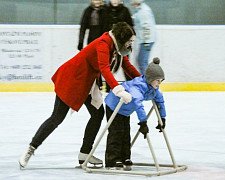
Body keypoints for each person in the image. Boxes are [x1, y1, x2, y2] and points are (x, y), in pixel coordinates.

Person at [19, 22, 141, 168]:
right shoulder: (104, 43)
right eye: (129, 41)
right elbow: (104, 68)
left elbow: (127, 66)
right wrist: (118, 90)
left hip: (87, 82)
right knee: (57, 118)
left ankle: (85, 153)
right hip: (72, 79)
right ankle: (31, 148)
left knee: (97, 114)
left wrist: (143, 81)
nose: (130, 45)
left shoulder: (117, 47)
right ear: (121, 38)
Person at [104, 57, 166, 169]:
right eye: (157, 80)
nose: (159, 83)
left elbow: (160, 101)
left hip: (125, 110)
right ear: (150, 79)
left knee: (126, 133)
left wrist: (162, 118)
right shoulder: (137, 88)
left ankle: (125, 157)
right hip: (114, 106)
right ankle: (112, 160)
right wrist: (143, 123)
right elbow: (138, 105)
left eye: (161, 80)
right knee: (116, 132)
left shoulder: (153, 89)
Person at [102, 0, 135, 92]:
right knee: (109, 66)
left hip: (123, 44)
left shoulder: (125, 10)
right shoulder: (105, 11)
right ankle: (109, 88)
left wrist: (129, 42)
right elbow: (103, 26)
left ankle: (131, 86)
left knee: (126, 65)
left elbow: (131, 26)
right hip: (110, 44)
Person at [131, 0, 156, 75]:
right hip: (145, 40)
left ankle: (147, 82)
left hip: (146, 41)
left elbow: (146, 27)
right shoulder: (140, 9)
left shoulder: (143, 11)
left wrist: (146, 42)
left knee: (142, 62)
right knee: (141, 61)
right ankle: (147, 81)